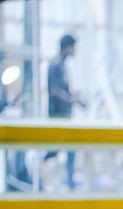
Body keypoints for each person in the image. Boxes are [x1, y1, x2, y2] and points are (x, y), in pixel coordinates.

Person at [46, 34, 86, 188]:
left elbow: (62, 90)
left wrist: (74, 96)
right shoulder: (55, 65)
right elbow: (54, 91)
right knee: (55, 151)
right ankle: (41, 175)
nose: (75, 50)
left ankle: (69, 183)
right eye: (73, 47)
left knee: (69, 150)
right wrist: (73, 100)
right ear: (67, 47)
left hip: (64, 116)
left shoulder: (62, 66)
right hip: (57, 116)